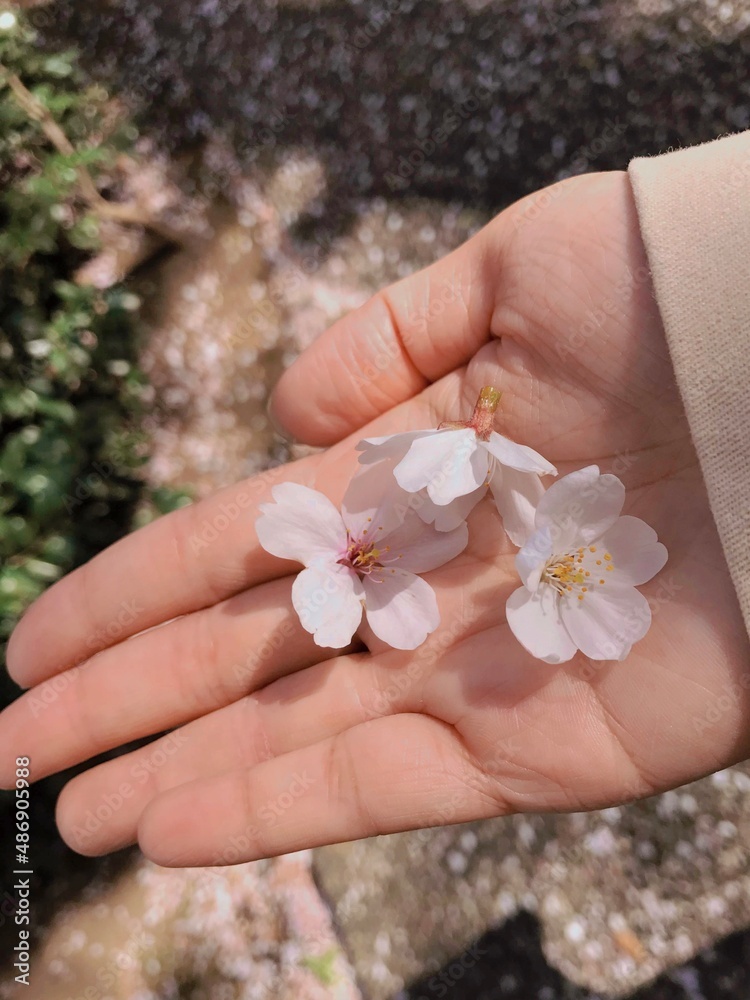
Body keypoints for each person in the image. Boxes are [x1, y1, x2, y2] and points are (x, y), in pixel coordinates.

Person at [1, 132, 748, 868]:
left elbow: (446, 538)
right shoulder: (370, 528)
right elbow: (404, 531)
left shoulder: (510, 537)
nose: (366, 556)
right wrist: (698, 271)